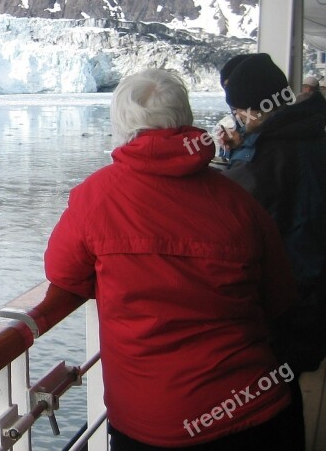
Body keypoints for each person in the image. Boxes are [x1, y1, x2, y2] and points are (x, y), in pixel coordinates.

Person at [44, 68, 302, 450]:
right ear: (185, 120)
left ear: (122, 126)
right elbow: (279, 296)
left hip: (151, 424)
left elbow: (64, 274)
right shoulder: (239, 201)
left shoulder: (94, 198)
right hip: (253, 410)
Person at [219, 54, 326, 449]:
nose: (238, 120)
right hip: (312, 295)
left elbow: (231, 210)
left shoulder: (271, 157)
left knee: (273, 401)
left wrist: (232, 160)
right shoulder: (308, 133)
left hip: (289, 303)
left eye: (238, 111)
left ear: (251, 108)